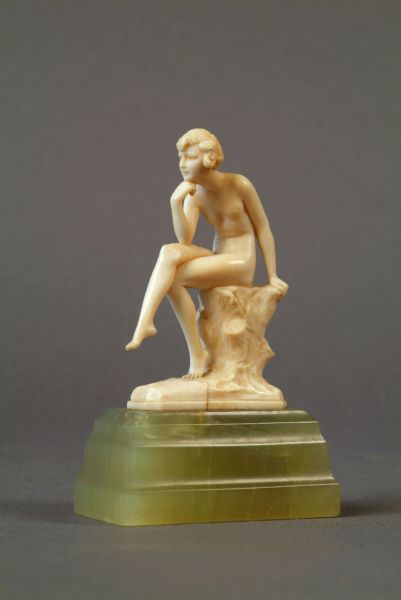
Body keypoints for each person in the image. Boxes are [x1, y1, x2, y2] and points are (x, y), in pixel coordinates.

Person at [126, 128, 288, 378]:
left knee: (173, 278)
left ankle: (188, 350)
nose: (182, 164)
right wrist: (175, 203)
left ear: (209, 157)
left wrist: (272, 275)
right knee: (169, 252)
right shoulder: (195, 194)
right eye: (180, 157)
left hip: (240, 262)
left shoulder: (239, 184)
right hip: (217, 256)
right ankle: (151, 327)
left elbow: (263, 229)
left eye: (190, 157)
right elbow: (185, 240)